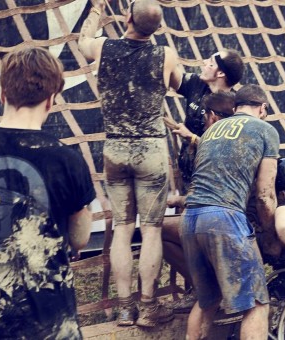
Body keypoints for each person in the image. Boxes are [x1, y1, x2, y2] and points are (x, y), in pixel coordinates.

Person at [0, 47, 95, 339]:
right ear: (51, 100)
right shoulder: (67, 159)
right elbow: (80, 238)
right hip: (50, 323)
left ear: (3, 94)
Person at [77, 0, 183, 327]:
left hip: (115, 148)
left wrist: (96, 10)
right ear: (156, 26)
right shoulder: (165, 54)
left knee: (123, 228)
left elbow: (81, 42)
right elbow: (178, 83)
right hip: (150, 149)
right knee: (150, 230)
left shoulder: (104, 48)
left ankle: (124, 308)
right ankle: (148, 307)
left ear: (127, 18)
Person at [180, 84, 279, 340]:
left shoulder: (212, 130)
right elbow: (265, 194)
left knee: (206, 303)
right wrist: (270, 232)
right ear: (263, 108)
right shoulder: (265, 130)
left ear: (235, 108)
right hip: (224, 218)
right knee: (256, 304)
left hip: (191, 219)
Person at [161, 91, 236, 313]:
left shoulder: (212, 145)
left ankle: (207, 288)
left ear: (212, 117)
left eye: (204, 116)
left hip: (216, 221)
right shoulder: (242, 140)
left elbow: (209, 195)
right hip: (235, 221)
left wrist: (179, 200)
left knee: (159, 230)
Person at [170, 48, 244, 193]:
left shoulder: (233, 107)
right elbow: (174, 78)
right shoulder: (196, 84)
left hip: (212, 177)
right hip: (186, 172)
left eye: (210, 63)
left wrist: (190, 137)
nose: (204, 62)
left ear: (221, 73)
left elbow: (223, 151)